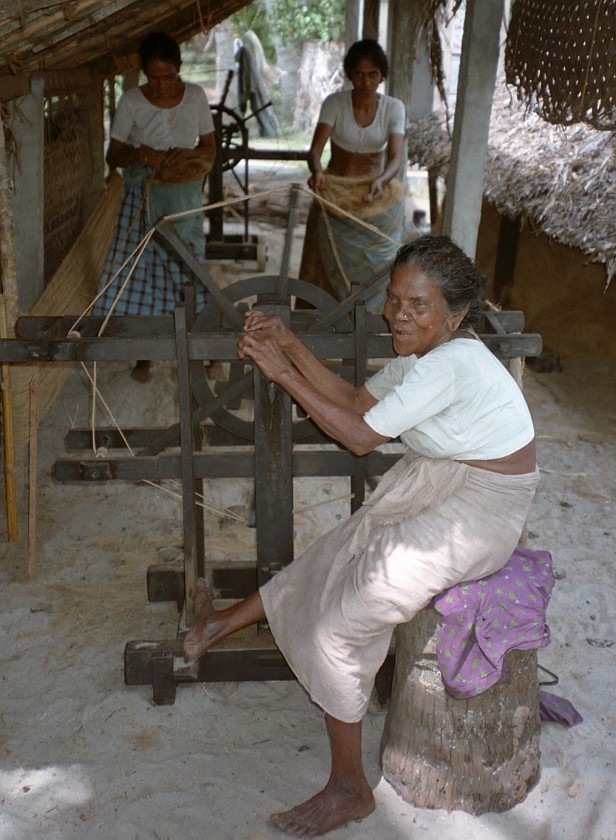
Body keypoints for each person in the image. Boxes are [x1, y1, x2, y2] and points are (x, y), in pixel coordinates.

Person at [184, 234, 539, 837]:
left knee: (341, 625)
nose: (400, 314)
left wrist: (279, 371)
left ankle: (350, 788)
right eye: (396, 299)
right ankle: (219, 623)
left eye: (418, 305)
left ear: (453, 315)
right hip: (449, 480)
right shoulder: (424, 354)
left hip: (484, 509)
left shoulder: (450, 364)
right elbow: (354, 399)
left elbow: (357, 436)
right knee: (339, 548)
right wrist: (288, 343)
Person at [92, 32, 216, 382]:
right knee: (138, 268)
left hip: (183, 193)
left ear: (179, 70)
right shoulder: (131, 101)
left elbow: (209, 149)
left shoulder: (195, 97)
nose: (161, 86)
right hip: (141, 190)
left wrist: (186, 153)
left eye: (169, 77)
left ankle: (205, 348)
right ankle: (143, 353)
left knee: (188, 263)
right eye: (154, 78)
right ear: (144, 73)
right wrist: (139, 154)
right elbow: (113, 155)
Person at [299, 39, 406, 313]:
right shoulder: (334, 103)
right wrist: (319, 173)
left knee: (382, 258)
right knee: (324, 256)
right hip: (335, 188)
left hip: (374, 191)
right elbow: (314, 152)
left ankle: (372, 316)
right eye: (359, 74)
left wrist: (382, 181)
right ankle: (322, 316)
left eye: (373, 75)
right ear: (349, 75)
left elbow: (395, 158)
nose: (366, 81)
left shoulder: (394, 108)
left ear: (382, 76)